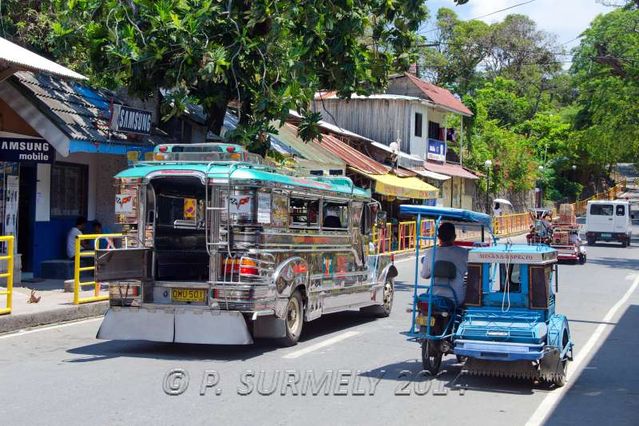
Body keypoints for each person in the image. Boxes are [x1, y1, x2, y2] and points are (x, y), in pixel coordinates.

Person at [420, 222, 468, 306]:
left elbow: (424, 275)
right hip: (456, 298)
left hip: (434, 296)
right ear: (454, 237)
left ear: (439, 237)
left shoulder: (430, 252)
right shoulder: (464, 253)